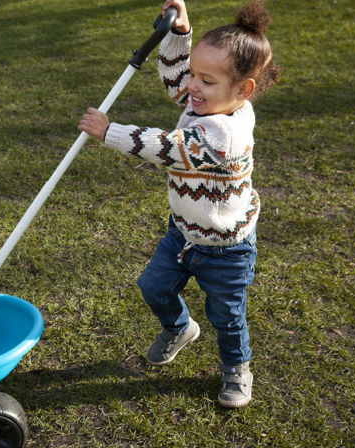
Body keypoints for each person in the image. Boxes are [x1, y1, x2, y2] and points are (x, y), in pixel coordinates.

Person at [78, 0, 280, 408]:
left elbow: (169, 147)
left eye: (206, 80)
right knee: (152, 287)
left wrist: (109, 132)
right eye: (195, 75)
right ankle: (179, 327)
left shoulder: (225, 135)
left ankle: (236, 368)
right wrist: (179, 34)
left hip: (226, 248)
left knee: (226, 317)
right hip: (183, 233)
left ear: (244, 90)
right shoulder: (206, 99)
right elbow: (175, 77)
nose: (192, 87)